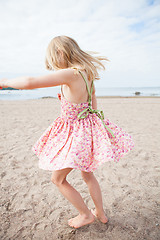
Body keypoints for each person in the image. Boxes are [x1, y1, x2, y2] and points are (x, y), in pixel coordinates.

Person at [0, 35, 134, 229]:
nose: (54, 66)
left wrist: (4, 82)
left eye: (53, 60)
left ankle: (85, 214)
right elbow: (92, 99)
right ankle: (101, 214)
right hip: (87, 129)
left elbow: (30, 81)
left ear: (61, 53)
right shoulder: (87, 73)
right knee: (88, 176)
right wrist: (92, 122)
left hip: (76, 134)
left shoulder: (71, 73)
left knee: (58, 179)